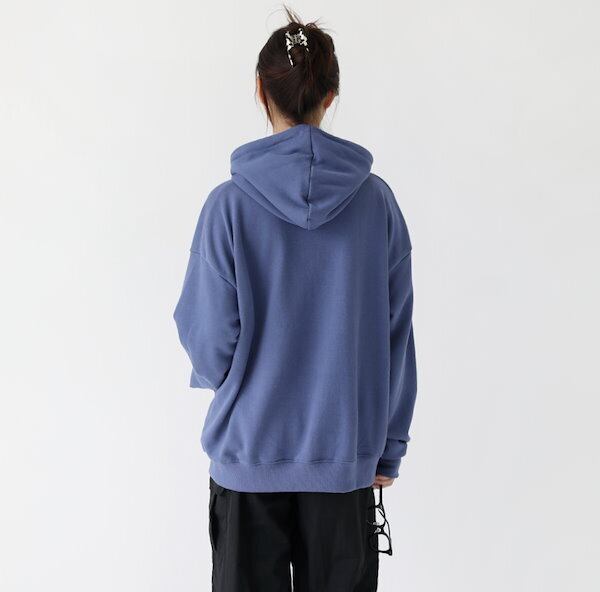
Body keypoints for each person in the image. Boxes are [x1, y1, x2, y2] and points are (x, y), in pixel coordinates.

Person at [173, 9, 417, 592]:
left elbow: (208, 342)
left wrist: (240, 379)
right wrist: (389, 446)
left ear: (260, 90)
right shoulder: (377, 205)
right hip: (346, 460)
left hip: (249, 458)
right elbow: (397, 335)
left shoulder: (228, 207)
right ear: (331, 95)